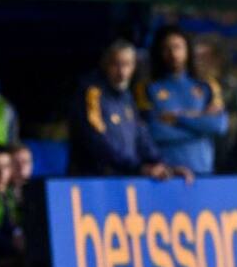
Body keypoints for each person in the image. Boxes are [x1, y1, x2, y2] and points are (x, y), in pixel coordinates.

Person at [69, 39, 193, 180]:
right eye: (116, 64)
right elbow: (98, 141)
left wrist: (164, 166)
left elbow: (141, 136)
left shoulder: (127, 97)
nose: (122, 72)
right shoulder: (92, 94)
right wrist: (138, 168)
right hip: (94, 181)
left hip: (125, 179)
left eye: (127, 64)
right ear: (105, 64)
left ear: (134, 66)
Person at [138, 27, 227, 175]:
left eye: (177, 47)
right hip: (167, 173)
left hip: (203, 170)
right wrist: (201, 125)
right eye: (166, 48)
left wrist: (177, 118)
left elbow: (218, 126)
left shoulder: (207, 86)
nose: (173, 54)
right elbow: (152, 132)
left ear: (187, 50)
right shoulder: (146, 88)